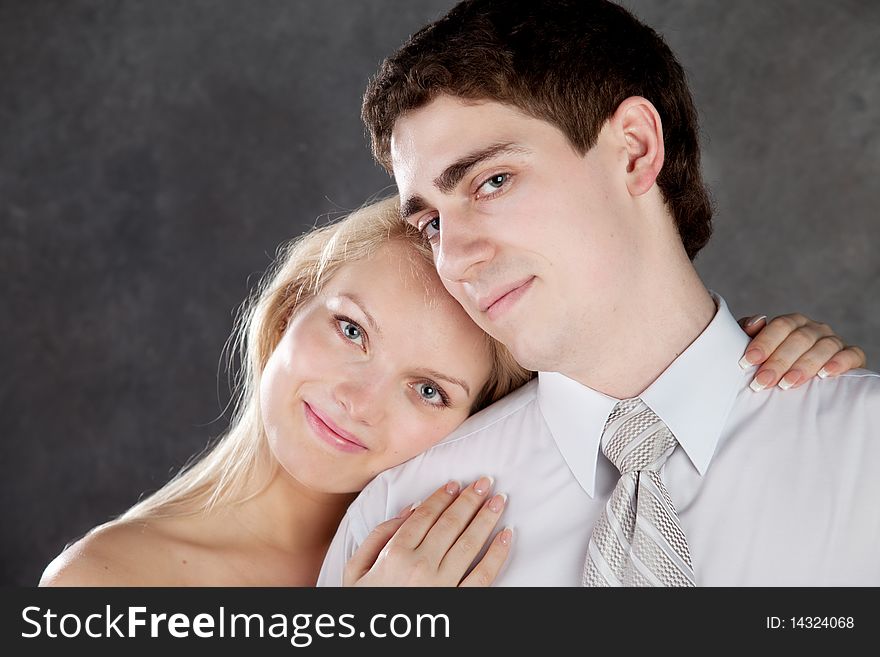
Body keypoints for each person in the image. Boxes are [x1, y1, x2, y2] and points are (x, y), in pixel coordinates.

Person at [318, 0, 878, 586]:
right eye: (432, 223)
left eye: (493, 182)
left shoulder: (866, 450)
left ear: (634, 149)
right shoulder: (393, 530)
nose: (454, 259)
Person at [39, 197, 853, 586]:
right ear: (289, 309)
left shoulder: (502, 537)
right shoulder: (106, 580)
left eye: (428, 389)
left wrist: (740, 367)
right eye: (352, 330)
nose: (359, 398)